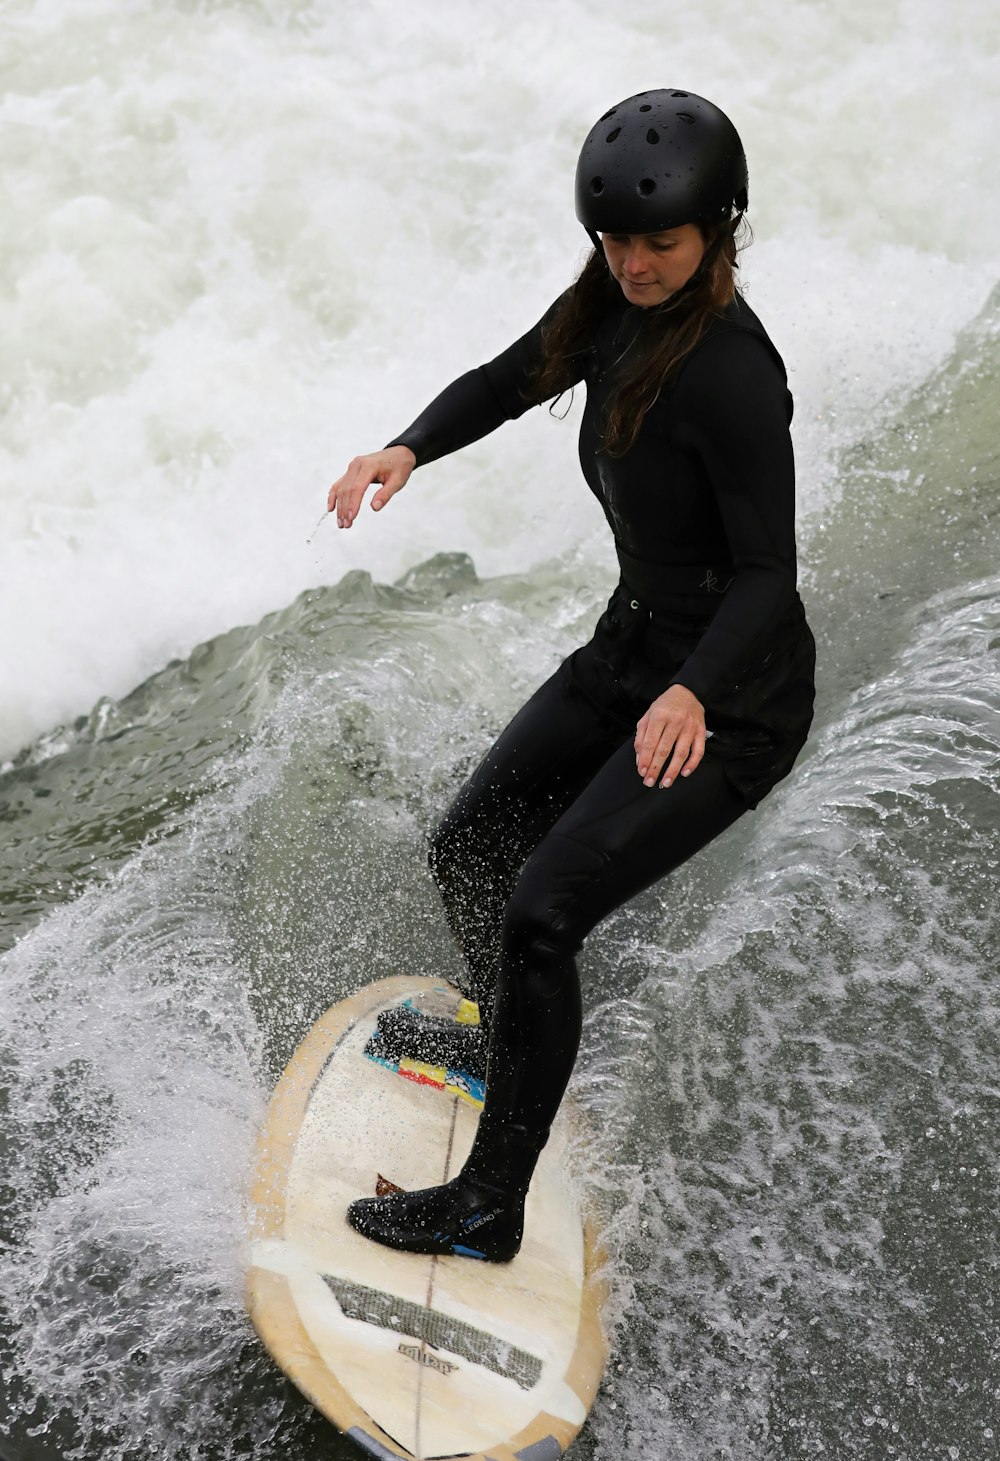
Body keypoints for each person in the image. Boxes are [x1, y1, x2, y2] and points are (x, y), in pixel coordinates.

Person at [330, 89, 815, 1262]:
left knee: (542, 914)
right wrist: (405, 447)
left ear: (717, 230)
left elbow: (767, 575)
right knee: (471, 842)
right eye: (615, 241)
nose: (635, 263)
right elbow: (505, 380)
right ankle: (508, 1041)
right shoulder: (608, 304)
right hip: (629, 648)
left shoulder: (733, 373)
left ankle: (488, 1208)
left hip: (728, 696)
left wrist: (694, 691)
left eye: (660, 241)